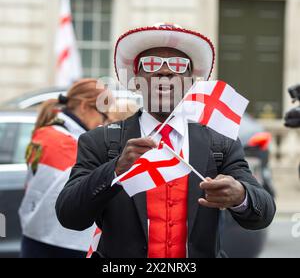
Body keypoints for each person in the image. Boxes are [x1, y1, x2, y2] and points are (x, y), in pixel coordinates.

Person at [56, 24, 276, 258]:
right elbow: (69, 216)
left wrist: (240, 196)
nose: (165, 72)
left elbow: (263, 213)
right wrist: (115, 169)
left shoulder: (220, 144)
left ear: (191, 81)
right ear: (137, 80)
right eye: (151, 64)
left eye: (178, 66)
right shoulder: (100, 141)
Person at [19, 78, 113, 258]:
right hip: (64, 243)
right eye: (103, 114)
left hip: (38, 235)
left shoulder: (47, 132)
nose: (105, 121)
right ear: (85, 106)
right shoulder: (70, 142)